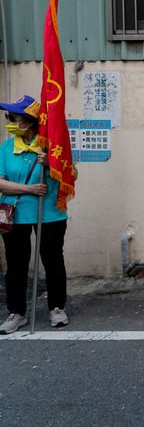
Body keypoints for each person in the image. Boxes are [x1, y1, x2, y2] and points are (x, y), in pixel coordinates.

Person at [0, 95, 75, 334]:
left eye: (13, 117)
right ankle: (17, 312)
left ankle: (57, 308)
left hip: (50, 214)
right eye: (8, 117)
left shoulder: (52, 145)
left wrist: (50, 163)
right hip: (15, 215)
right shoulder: (5, 148)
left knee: (53, 262)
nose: (9, 121)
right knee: (16, 265)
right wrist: (29, 189)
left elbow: (72, 175)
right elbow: (1, 184)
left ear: (30, 122)